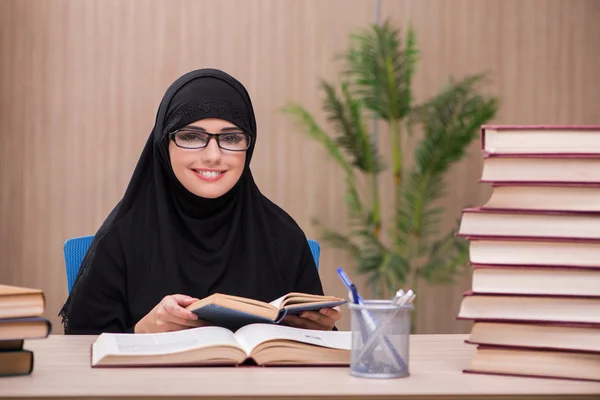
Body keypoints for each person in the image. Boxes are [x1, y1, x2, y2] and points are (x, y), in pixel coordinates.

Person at [59, 68, 341, 334]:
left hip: (257, 386)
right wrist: (142, 331)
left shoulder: (283, 237)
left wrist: (319, 332)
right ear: (163, 143)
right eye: (192, 136)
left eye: (230, 138)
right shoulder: (120, 237)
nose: (213, 155)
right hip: (150, 387)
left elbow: (317, 352)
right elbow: (81, 352)